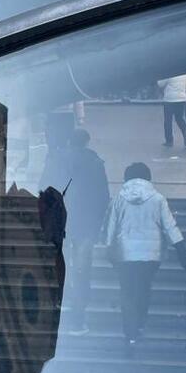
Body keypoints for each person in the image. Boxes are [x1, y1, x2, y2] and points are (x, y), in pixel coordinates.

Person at [104, 162, 186, 347]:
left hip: (125, 254)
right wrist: (181, 248)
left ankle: (130, 331)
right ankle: (140, 322)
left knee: (127, 291)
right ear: (148, 177)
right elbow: (169, 226)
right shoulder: (158, 199)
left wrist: (109, 248)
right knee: (143, 288)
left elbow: (110, 227)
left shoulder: (119, 199)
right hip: (151, 255)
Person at [40, 129, 109, 325]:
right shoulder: (95, 163)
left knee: (60, 263)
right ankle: (79, 310)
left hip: (59, 223)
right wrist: (98, 223)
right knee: (81, 268)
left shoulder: (54, 160)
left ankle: (61, 300)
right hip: (85, 224)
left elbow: (43, 189)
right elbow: (103, 196)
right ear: (86, 142)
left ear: (69, 142)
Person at [158, 73, 186, 148]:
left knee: (168, 120)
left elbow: (160, 84)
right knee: (179, 118)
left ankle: (169, 141)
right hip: (181, 99)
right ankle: (185, 131)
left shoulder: (170, 71)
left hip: (169, 99)